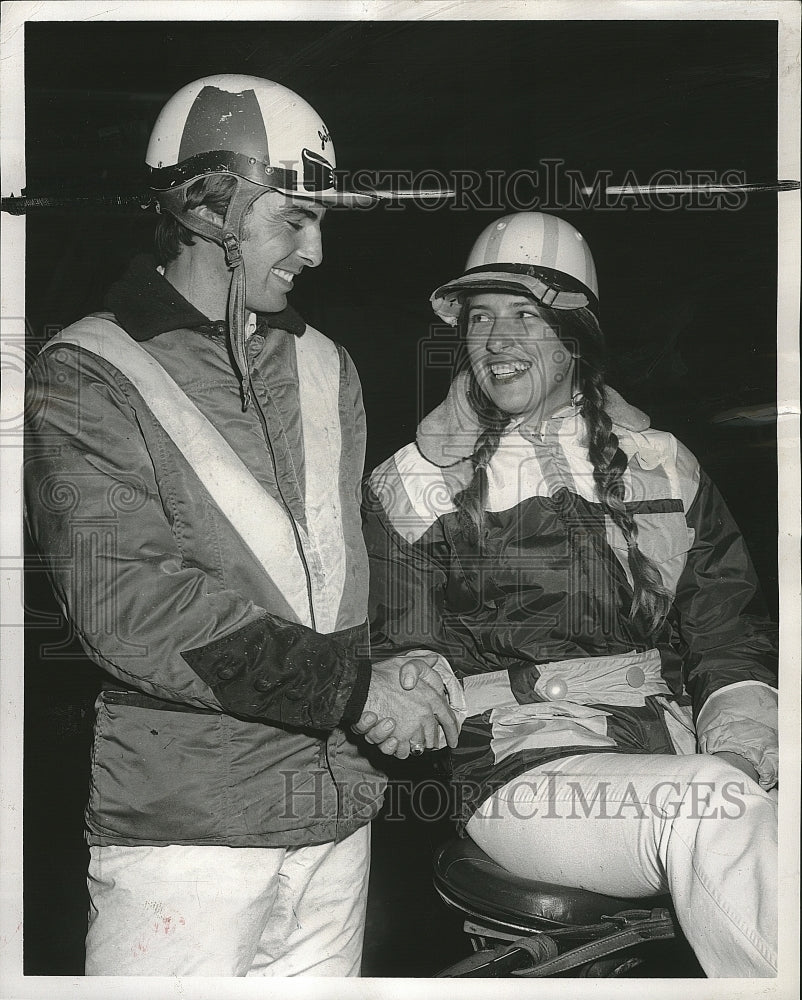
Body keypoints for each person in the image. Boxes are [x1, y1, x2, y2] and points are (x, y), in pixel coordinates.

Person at [24, 74, 457, 977]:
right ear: (204, 207)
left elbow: (344, 554)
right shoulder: (89, 372)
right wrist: (356, 694)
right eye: (294, 218)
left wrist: (391, 656)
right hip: (191, 833)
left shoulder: (326, 364)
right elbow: (133, 608)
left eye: (322, 221)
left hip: (335, 814)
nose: (316, 251)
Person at [360, 212, 779, 977]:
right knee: (709, 805)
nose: (496, 340)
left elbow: (725, 625)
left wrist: (745, 728)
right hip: (520, 768)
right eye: (481, 318)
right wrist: (410, 680)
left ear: (575, 334)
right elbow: (401, 642)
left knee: (725, 787)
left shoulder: (664, 464)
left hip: (669, 738)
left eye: (525, 315)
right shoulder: (410, 485)